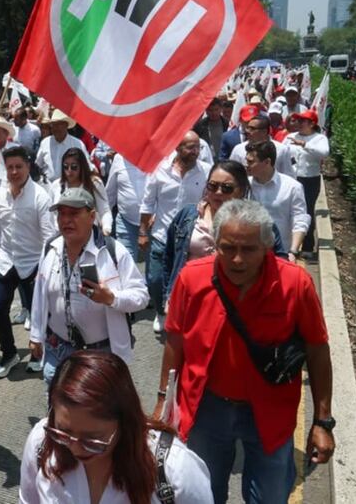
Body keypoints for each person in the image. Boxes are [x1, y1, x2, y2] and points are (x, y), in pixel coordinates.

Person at [155, 200, 335, 504]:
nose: (237, 259)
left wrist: (322, 422)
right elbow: (176, 342)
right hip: (205, 411)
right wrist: (164, 401)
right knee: (200, 496)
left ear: (267, 246)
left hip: (270, 412)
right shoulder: (191, 278)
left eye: (249, 250)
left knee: (270, 497)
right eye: (227, 248)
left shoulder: (295, 284)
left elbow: (318, 351)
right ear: (215, 243)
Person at [20, 351, 213, 504]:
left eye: (93, 440)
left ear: (125, 422)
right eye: (63, 433)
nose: (75, 448)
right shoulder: (41, 442)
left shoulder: (175, 471)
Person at [29, 188, 149, 388]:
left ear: (92, 216)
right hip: (57, 349)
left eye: (74, 213)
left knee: (98, 412)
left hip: (100, 354)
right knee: (59, 410)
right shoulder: (51, 247)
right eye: (62, 213)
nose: (66, 220)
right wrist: (35, 335)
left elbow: (141, 297)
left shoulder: (113, 252)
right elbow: (40, 294)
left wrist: (111, 298)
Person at [161, 161, 290, 312]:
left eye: (227, 188)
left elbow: (279, 260)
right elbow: (169, 257)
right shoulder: (187, 216)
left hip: (239, 302)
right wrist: (169, 296)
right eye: (212, 186)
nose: (218, 192)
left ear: (241, 190)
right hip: (190, 299)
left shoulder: (258, 222)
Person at [0, 145, 54, 377]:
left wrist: (46, 267)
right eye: (10, 167)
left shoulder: (41, 197)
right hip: (5, 261)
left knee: (39, 312)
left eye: (19, 167)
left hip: (33, 262)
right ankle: (9, 353)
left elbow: (48, 237)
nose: (14, 172)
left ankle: (38, 353)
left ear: (28, 167)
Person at [139, 131, 209, 333]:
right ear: (177, 148)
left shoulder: (205, 172)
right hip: (161, 236)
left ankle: (182, 315)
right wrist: (143, 232)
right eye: (190, 147)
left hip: (189, 239)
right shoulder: (160, 170)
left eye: (198, 147)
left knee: (184, 281)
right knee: (155, 279)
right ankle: (161, 311)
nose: (195, 151)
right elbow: (148, 204)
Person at [245, 141, 310, 263]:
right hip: (249, 254)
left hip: (281, 254)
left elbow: (300, 219)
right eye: (246, 160)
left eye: (251, 162)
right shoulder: (243, 186)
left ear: (267, 162)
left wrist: (293, 251)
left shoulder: (292, 187)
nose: (246, 165)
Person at [282, 110, 329, 255]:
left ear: (312, 124)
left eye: (303, 121)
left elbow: (324, 153)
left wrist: (304, 145)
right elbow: (282, 153)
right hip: (291, 178)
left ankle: (308, 246)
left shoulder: (319, 138)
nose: (299, 124)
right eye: (298, 121)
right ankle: (289, 244)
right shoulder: (290, 136)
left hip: (309, 179)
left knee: (307, 211)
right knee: (288, 210)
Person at [50, 147, 112, 236]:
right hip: (61, 236)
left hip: (88, 236)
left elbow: (104, 210)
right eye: (65, 167)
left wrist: (106, 228)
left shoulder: (94, 184)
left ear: (82, 167)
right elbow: (51, 217)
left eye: (74, 167)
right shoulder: (56, 185)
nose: (69, 171)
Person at [105, 153, 148, 262]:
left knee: (154, 274)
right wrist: (104, 219)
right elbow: (110, 193)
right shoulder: (119, 159)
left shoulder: (157, 157)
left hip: (152, 223)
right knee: (124, 264)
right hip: (126, 222)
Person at [229, 115, 294, 177]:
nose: (247, 131)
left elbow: (288, 174)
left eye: (252, 128)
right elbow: (231, 172)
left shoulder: (282, 150)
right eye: (247, 127)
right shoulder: (238, 149)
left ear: (264, 131)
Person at [34, 110, 88, 182]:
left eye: (58, 124)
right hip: (48, 187)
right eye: (53, 125)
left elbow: (87, 166)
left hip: (70, 187)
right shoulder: (45, 143)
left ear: (66, 125)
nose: (55, 128)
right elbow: (38, 164)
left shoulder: (77, 144)